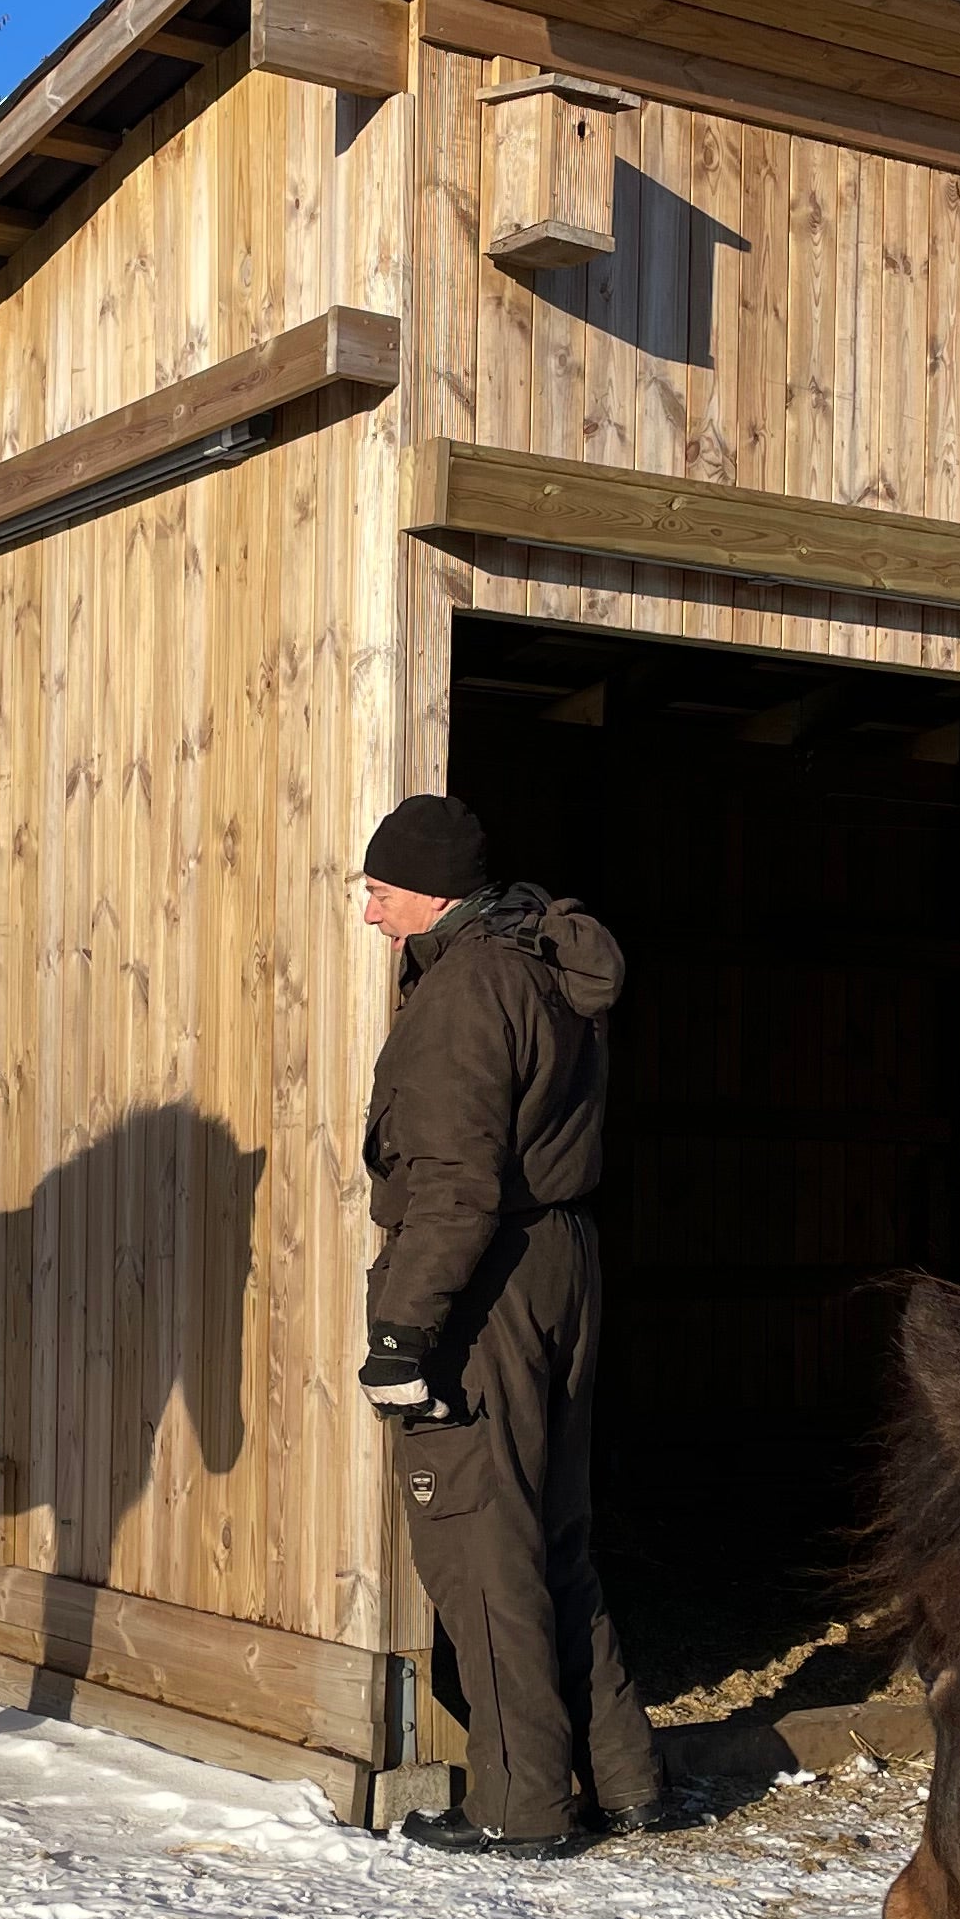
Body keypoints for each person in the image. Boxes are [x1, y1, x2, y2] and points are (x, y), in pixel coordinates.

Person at [358, 791, 663, 1847]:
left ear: (433, 893)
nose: (368, 913)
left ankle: (521, 1808)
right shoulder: (544, 968)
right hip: (563, 1263)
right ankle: (624, 1777)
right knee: (555, 1534)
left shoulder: (465, 993)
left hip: (484, 1280)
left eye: (382, 892)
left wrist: (401, 1333)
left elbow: (453, 1183)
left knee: (479, 1543)